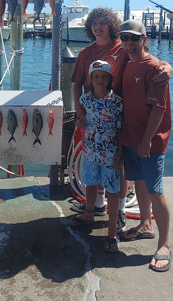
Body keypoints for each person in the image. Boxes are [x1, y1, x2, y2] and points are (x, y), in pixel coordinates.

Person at [70, 7, 171, 232]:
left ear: (111, 26)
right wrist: (80, 112)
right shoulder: (86, 52)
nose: (97, 27)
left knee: (119, 164)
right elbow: (76, 83)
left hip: (118, 115)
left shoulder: (123, 45)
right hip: (92, 115)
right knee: (91, 164)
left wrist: (167, 66)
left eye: (102, 22)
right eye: (93, 23)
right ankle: (93, 208)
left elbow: (147, 59)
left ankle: (121, 211)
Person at [118, 20, 171, 272]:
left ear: (144, 38)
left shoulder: (155, 68)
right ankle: (145, 226)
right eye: (124, 37)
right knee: (139, 182)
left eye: (134, 38)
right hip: (130, 139)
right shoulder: (128, 63)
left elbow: (159, 108)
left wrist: (146, 141)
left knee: (155, 190)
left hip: (148, 142)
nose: (129, 42)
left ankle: (164, 245)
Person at [68, 60, 123, 252]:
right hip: (90, 151)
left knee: (112, 190)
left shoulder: (117, 102)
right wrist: (80, 123)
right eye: (96, 76)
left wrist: (121, 152)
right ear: (90, 79)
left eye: (104, 76)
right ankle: (89, 213)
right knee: (90, 183)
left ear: (110, 80)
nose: (100, 80)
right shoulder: (84, 100)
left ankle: (112, 229)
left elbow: (121, 129)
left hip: (110, 153)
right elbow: (81, 123)